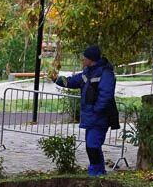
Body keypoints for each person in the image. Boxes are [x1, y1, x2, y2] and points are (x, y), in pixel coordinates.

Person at [48, 45, 118, 177]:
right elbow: (71, 81)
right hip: (91, 117)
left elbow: (106, 95)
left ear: (91, 60)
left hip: (99, 117)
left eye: (84, 58)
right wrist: (56, 79)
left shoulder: (105, 74)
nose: (82, 60)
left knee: (92, 146)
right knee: (92, 146)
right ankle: (99, 173)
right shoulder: (88, 72)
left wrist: (96, 110)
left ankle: (95, 173)